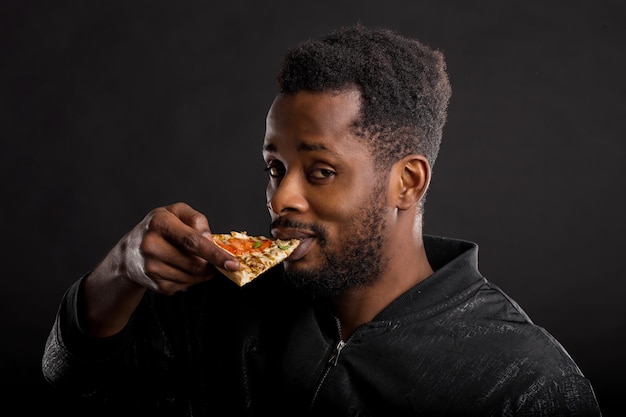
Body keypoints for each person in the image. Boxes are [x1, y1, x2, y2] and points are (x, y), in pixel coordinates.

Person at [42, 24, 602, 416]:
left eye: (320, 171)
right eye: (274, 166)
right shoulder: (216, 302)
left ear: (406, 182)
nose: (280, 197)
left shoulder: (524, 381)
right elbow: (67, 379)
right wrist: (120, 271)